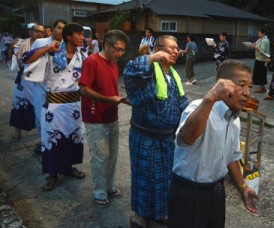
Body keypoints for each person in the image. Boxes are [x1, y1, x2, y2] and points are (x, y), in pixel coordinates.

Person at [168, 60, 259, 228]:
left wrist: (243, 188)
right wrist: (210, 98)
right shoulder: (199, 108)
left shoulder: (234, 120)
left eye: (250, 86)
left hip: (216, 192)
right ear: (222, 85)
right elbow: (186, 138)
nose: (247, 93)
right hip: (189, 193)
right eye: (242, 85)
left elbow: (232, 157)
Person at [123, 35, 189, 227]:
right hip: (145, 137)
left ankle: (159, 214)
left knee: (163, 180)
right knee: (144, 179)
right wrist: (152, 57)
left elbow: (182, 103)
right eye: (172, 48)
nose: (176, 51)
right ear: (158, 49)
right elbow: (130, 71)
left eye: (177, 48)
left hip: (167, 138)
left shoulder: (175, 76)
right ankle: (140, 216)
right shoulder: (148, 71)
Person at [23, 23, 87, 191]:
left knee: (73, 137)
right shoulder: (53, 52)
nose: (82, 37)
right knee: (51, 139)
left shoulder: (83, 54)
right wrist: (47, 47)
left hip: (74, 105)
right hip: (54, 105)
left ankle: (68, 168)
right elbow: (27, 58)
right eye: (79, 34)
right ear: (68, 36)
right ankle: (52, 173)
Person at [79, 30, 130, 207]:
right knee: (100, 157)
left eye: (123, 50)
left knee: (112, 155)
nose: (120, 53)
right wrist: (109, 100)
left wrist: (123, 98)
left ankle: (109, 186)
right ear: (106, 45)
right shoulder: (92, 61)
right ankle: (99, 192)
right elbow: (83, 89)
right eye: (118, 49)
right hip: (95, 118)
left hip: (112, 115)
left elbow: (110, 87)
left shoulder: (113, 63)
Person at [24, 19, 67, 154]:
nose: (61, 31)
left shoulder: (67, 45)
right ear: (53, 28)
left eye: (64, 29)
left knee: (58, 117)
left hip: (59, 88)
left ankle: (56, 142)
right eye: (59, 27)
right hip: (40, 85)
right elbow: (28, 59)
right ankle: (43, 141)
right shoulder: (40, 42)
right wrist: (48, 49)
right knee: (40, 115)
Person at [9, 24, 45, 141]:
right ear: (31, 32)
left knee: (40, 108)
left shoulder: (46, 44)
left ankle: (41, 136)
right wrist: (10, 47)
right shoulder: (21, 44)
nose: (40, 34)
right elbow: (11, 58)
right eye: (37, 31)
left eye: (42, 32)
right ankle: (17, 130)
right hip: (23, 80)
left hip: (39, 80)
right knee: (18, 105)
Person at [252, 28, 270, 93]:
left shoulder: (264, 40)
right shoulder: (261, 40)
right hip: (259, 58)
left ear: (263, 33)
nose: (258, 34)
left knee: (261, 74)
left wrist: (255, 47)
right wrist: (254, 45)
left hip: (262, 59)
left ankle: (261, 89)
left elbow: (263, 51)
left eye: (259, 33)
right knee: (260, 73)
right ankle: (263, 87)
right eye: (258, 33)